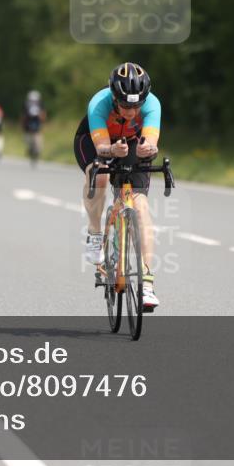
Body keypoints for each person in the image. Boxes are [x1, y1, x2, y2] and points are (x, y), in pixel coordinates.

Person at [74, 62, 161, 311]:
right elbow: (102, 147)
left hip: (131, 142)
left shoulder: (153, 104)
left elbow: (152, 138)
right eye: (125, 106)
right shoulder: (98, 104)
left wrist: (149, 147)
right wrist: (110, 150)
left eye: (137, 105)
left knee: (141, 204)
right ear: (114, 97)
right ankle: (94, 233)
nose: (132, 112)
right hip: (95, 141)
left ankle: (146, 282)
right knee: (99, 174)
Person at [21, 90, 47, 163]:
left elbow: (23, 116)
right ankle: (35, 150)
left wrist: (22, 124)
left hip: (30, 125)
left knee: (29, 138)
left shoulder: (26, 103)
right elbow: (43, 114)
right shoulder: (40, 104)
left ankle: (32, 150)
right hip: (35, 125)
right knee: (36, 137)